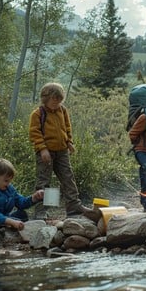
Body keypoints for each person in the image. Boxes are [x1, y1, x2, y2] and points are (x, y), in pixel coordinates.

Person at [29, 82, 93, 219]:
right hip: (46, 152)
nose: (56, 102)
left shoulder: (62, 110)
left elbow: (67, 128)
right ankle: (41, 210)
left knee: (68, 177)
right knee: (44, 181)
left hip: (62, 151)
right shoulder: (38, 114)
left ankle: (74, 206)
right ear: (46, 98)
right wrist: (42, 149)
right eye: (54, 99)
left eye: (59, 99)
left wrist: (69, 142)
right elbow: (34, 133)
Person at [0, 158, 44, 233]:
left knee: (22, 214)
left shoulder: (9, 188)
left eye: (10, 181)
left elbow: (21, 203)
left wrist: (34, 197)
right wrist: (11, 222)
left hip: (4, 220)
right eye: (6, 181)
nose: (8, 184)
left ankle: (9, 229)